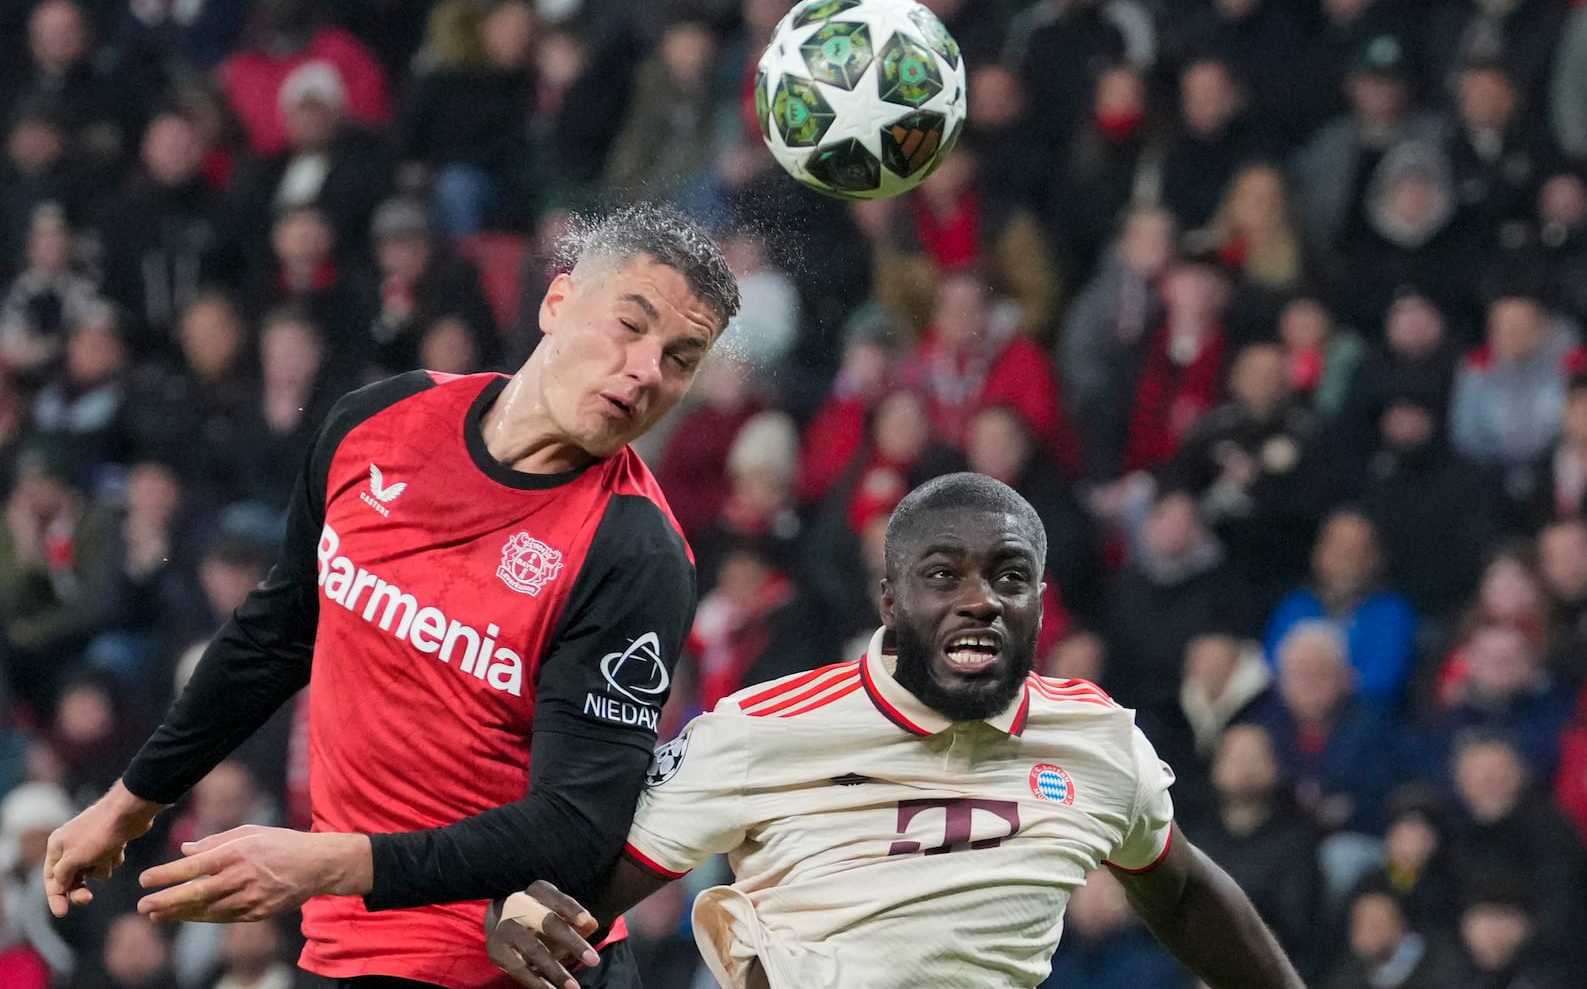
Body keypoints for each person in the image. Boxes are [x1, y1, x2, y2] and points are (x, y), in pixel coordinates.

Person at [42, 203, 742, 989]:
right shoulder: (380, 420)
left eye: (682, 358)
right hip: (343, 945)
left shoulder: (635, 552)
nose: (647, 369)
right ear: (555, 303)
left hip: (506, 965)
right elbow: (277, 631)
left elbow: (576, 827)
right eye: (630, 326)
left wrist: (332, 862)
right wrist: (135, 799)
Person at [487, 473, 1306, 989]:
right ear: (889, 601)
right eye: (943, 574)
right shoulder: (763, 728)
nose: (980, 597)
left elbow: (1187, 888)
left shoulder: (1095, 741)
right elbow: (575, 880)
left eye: (1009, 576)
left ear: (1041, 603)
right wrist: (513, 912)